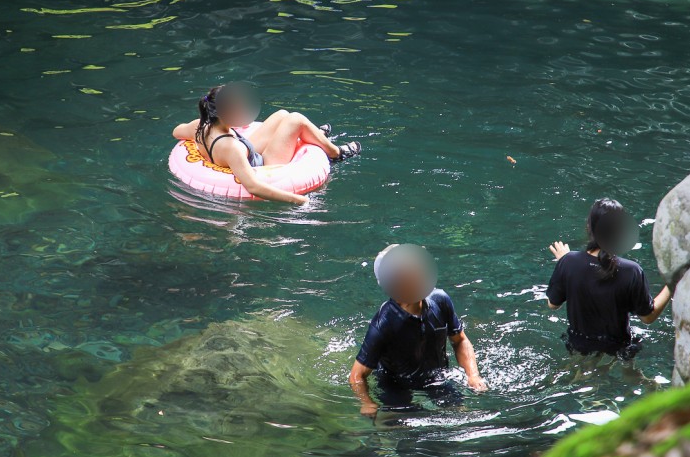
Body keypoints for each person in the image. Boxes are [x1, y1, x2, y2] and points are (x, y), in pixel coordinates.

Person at [349, 244, 487, 419]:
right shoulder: (384, 322)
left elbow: (460, 340)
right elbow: (357, 375)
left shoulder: (440, 300)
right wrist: (367, 403)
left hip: (436, 378)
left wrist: (473, 375)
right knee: (404, 430)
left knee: (460, 416)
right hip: (395, 384)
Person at [171, 83, 362, 205]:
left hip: (243, 151)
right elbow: (253, 186)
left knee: (282, 115)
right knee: (295, 119)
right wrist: (298, 200)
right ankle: (336, 153)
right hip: (264, 165)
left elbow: (176, 132)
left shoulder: (199, 127)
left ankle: (315, 134)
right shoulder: (231, 148)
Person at [546, 198, 672, 359]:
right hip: (619, 349)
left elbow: (552, 305)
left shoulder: (568, 262)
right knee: (632, 376)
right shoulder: (631, 271)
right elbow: (647, 317)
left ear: (589, 227)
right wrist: (672, 283)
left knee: (580, 371)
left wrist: (564, 261)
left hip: (578, 345)